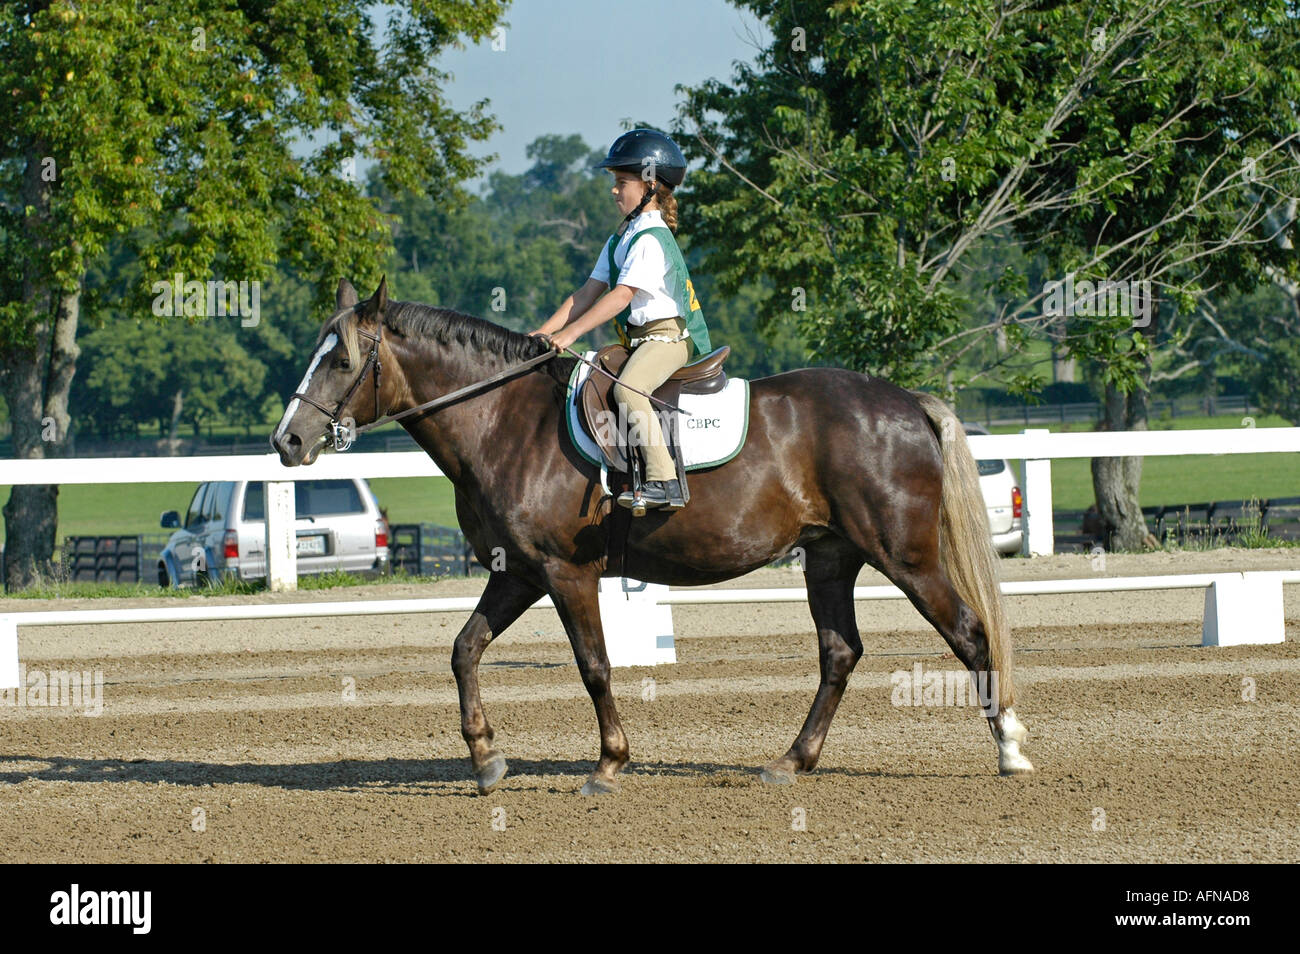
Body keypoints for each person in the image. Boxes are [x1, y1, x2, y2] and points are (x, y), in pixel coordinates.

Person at [530, 129, 712, 513]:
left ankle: (665, 482)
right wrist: (543, 333)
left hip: (667, 340)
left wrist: (571, 335)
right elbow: (586, 292)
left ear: (649, 185)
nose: (614, 190)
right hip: (640, 341)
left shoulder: (649, 238)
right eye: (614, 182)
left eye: (622, 182)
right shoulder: (621, 238)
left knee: (628, 390)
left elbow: (621, 296)